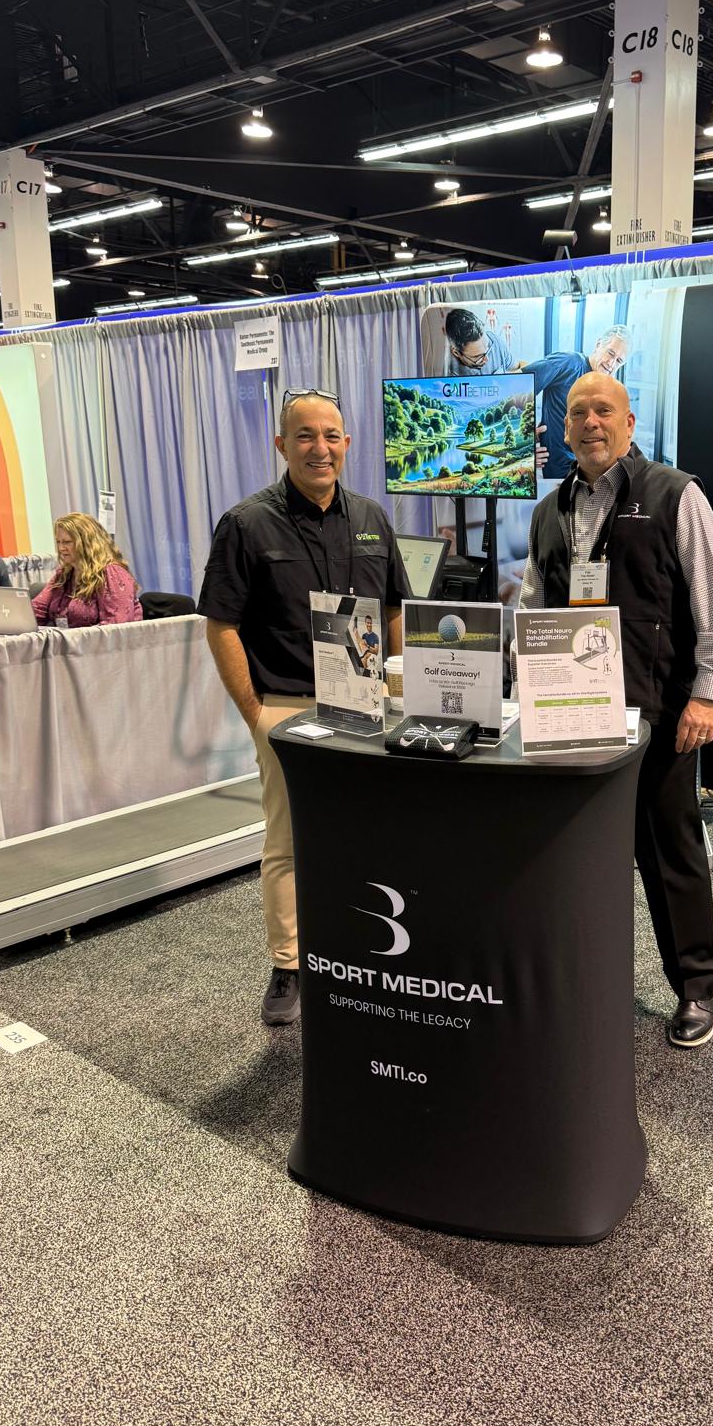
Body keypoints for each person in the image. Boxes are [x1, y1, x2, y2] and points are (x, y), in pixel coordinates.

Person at [519, 373, 713, 1049]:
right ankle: (584, 980)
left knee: (668, 851)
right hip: (569, 709)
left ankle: (695, 988)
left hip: (657, 709)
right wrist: (521, 680)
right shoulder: (549, 508)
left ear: (629, 422)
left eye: (603, 410)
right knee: (577, 854)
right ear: (563, 429)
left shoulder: (676, 494)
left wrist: (708, 692)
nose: (590, 421)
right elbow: (533, 600)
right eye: (579, 411)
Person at [198, 388, 409, 1027]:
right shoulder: (246, 524)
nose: (321, 448)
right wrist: (252, 711)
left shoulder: (372, 516)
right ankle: (289, 963)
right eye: (307, 436)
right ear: (282, 445)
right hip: (289, 706)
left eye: (332, 435)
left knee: (370, 834)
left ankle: (365, 947)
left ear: (347, 443)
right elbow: (221, 625)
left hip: (370, 706)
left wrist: (404, 693)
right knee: (289, 839)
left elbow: (395, 613)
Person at [519, 324, 632, 481]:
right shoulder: (568, 363)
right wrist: (521, 445)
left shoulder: (607, 388)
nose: (611, 363)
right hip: (558, 476)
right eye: (610, 353)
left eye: (618, 360)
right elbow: (517, 386)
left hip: (588, 474)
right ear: (599, 344)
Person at [31, 513, 142, 627]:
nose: (60, 548)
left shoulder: (111, 572)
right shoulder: (64, 574)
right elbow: (36, 611)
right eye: (58, 542)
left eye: (67, 542)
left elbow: (116, 626)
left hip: (100, 644)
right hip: (69, 642)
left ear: (86, 543)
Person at [444, 307, 515, 376]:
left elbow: (515, 369)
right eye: (477, 357)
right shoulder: (447, 371)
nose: (486, 359)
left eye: (487, 348)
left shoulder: (496, 342)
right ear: (456, 353)